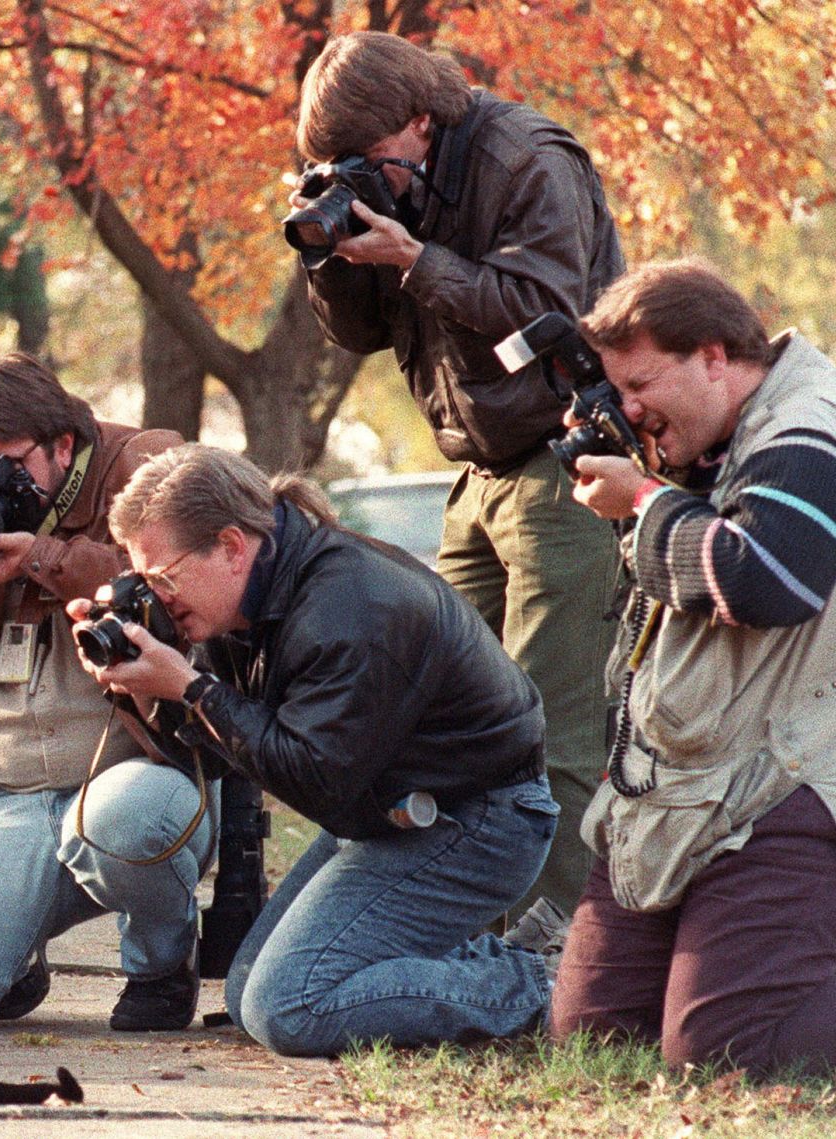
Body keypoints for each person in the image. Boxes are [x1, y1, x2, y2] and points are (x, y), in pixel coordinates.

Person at [71, 442, 559, 1056]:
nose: (157, 597)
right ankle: (474, 955)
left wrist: (192, 690)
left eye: (163, 578)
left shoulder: (351, 607)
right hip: (387, 812)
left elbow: (313, 779)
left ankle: (548, 985)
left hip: (478, 820)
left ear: (230, 545)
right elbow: (223, 759)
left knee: (292, 1007)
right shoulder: (244, 603)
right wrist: (143, 687)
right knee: (252, 991)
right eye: (143, 580)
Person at [294, 30, 625, 919]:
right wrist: (329, 253)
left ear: (418, 119)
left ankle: (561, 960)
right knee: (438, 713)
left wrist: (413, 258)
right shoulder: (401, 172)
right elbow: (362, 335)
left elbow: (549, 314)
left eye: (366, 159)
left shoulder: (525, 159)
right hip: (475, 474)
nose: (359, 175)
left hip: (565, 458)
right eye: (333, 165)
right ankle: (450, 919)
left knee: (549, 725)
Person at [546, 260, 836, 1074]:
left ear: (716, 356)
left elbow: (769, 579)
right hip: (694, 783)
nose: (627, 408)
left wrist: (644, 504)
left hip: (797, 776)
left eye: (640, 383)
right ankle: (799, 967)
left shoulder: (809, 431)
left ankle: (785, 979)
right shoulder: (727, 435)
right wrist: (659, 474)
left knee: (727, 1049)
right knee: (596, 1037)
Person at [0, 352, 213, 1032]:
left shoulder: (143, 463)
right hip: (11, 799)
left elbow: (174, 586)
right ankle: (11, 947)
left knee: (123, 821)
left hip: (133, 781)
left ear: (64, 444)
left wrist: (40, 556)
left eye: (8, 463)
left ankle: (160, 964)